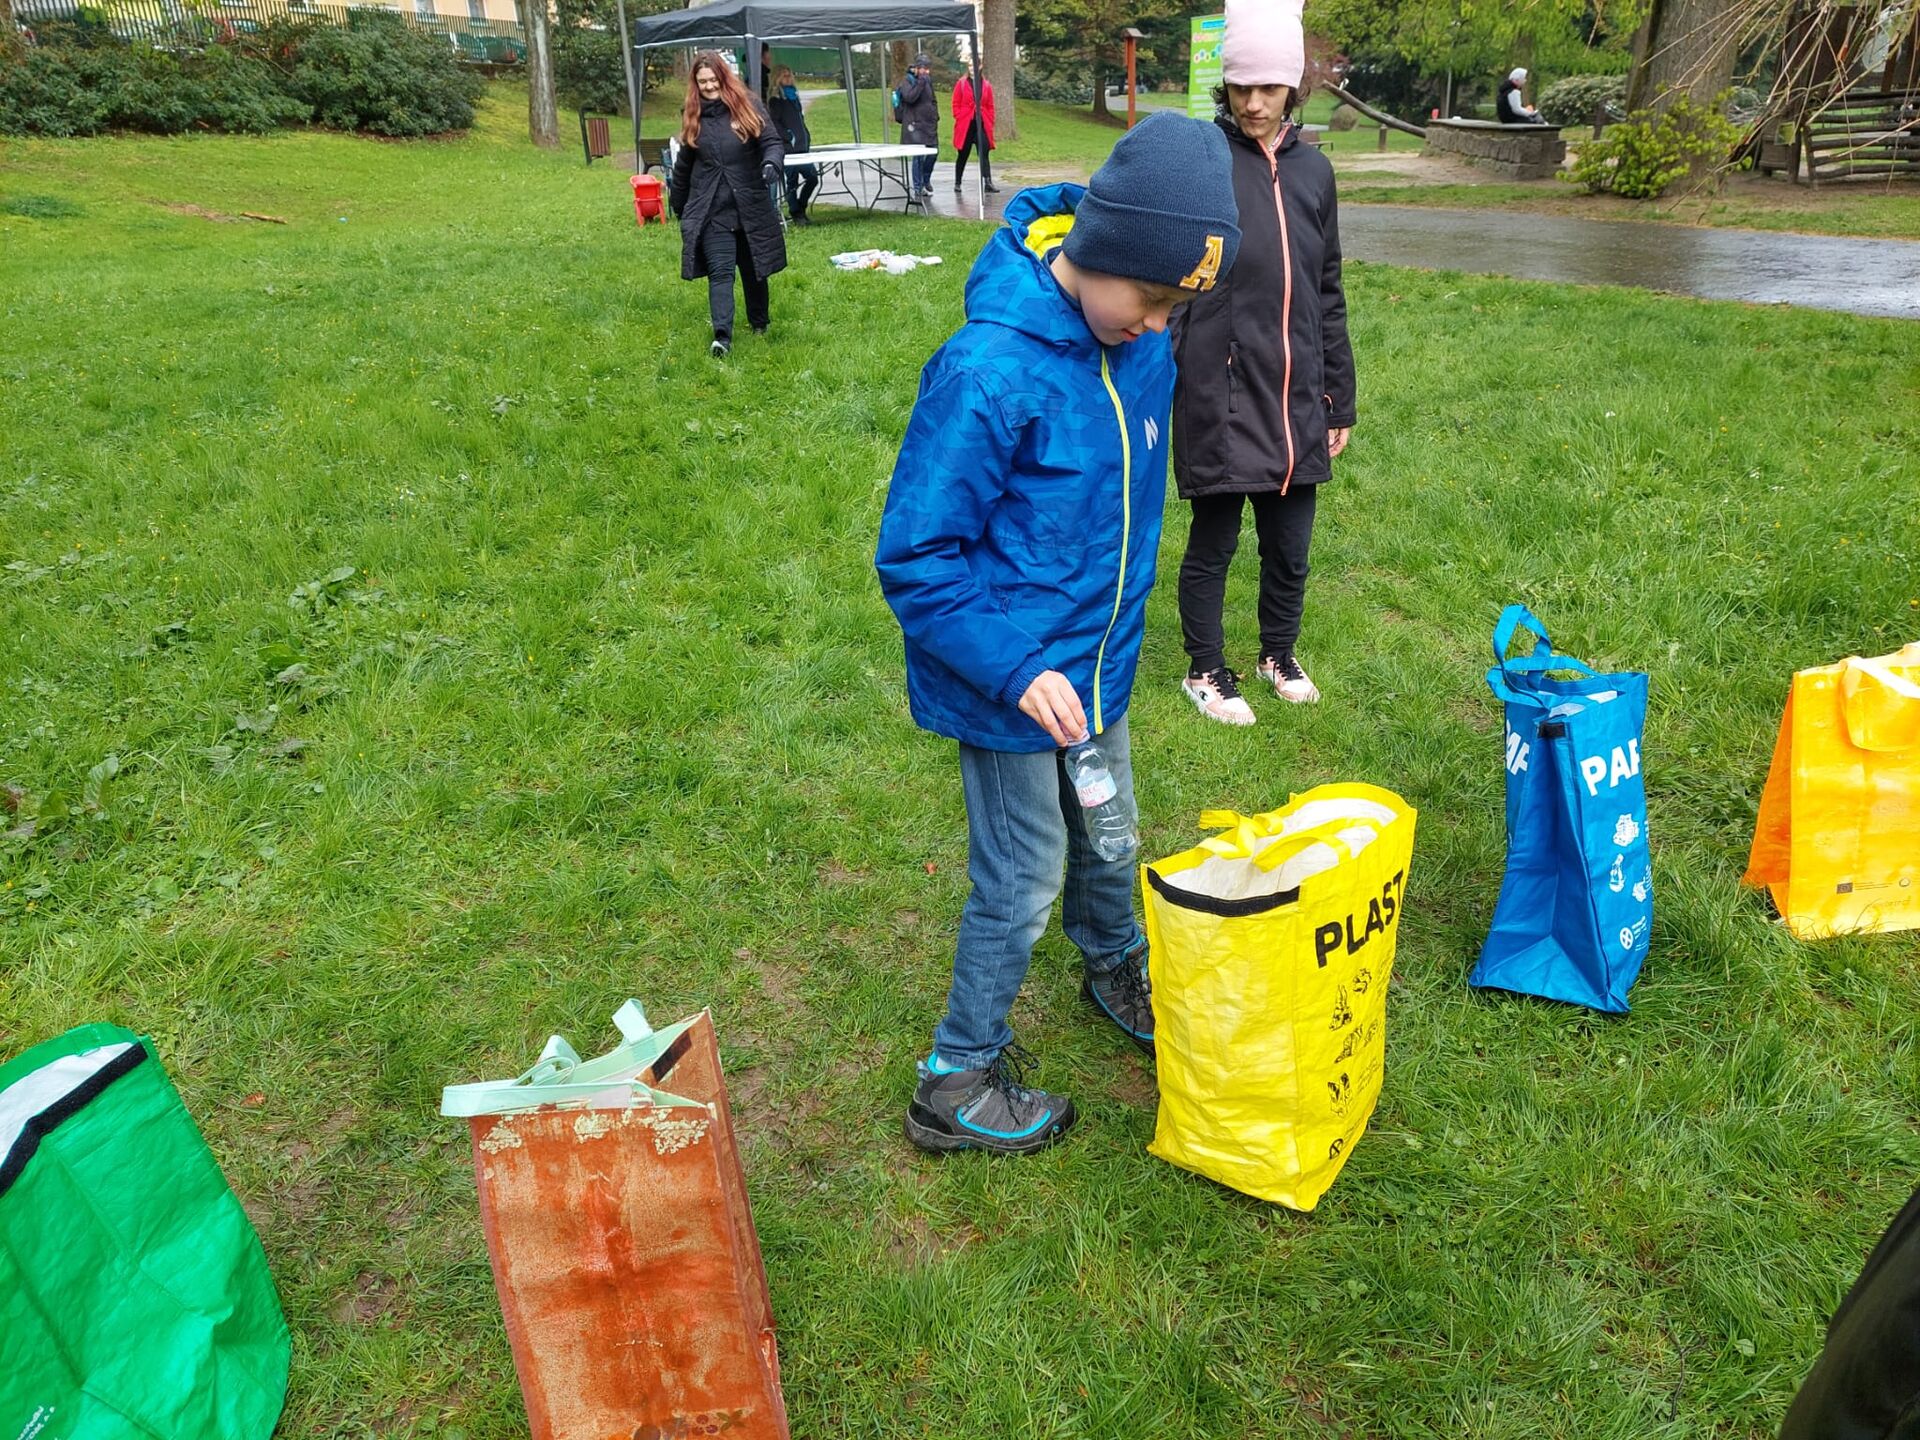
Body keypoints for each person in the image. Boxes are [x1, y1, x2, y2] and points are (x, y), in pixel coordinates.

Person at [874, 113, 1242, 1154]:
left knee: (1111, 831)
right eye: (1153, 301)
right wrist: (1018, 667)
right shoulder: (988, 371)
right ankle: (956, 1075)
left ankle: (1113, 959)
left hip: (1099, 666)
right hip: (1008, 685)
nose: (1161, 327)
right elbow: (917, 556)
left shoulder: (1137, 343)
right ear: (1102, 252)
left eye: (1179, 309)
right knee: (1023, 874)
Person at [1169, 0, 1355, 725]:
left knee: (1290, 546)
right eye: (1241, 87)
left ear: (1293, 87)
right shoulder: (1204, 163)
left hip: (1295, 394)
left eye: (1269, 88)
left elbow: (1327, 289)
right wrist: (1177, 368)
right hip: (1219, 390)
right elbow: (1173, 279)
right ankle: (1205, 669)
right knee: (1214, 543)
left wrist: (1338, 395)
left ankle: (1278, 652)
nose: (1253, 103)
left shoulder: (1315, 173)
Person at [669, 52, 787, 358]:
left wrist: (772, 164)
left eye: (713, 80)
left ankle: (759, 323)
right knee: (721, 273)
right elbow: (684, 166)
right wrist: (679, 205)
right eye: (702, 82)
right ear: (696, 84)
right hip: (713, 210)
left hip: (749, 205)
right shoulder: (693, 115)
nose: (709, 86)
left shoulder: (748, 105)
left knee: (754, 270)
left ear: (724, 77)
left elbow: (772, 142)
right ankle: (722, 337)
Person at [766, 65, 819, 226]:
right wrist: (789, 136)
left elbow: (800, 120)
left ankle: (800, 207)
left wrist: (805, 136)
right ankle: (796, 212)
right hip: (789, 148)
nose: (788, 78)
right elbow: (774, 123)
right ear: (777, 79)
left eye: (789, 75)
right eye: (784, 76)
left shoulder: (794, 97)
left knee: (812, 178)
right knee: (792, 182)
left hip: (802, 147)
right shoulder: (776, 100)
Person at [951, 63, 999, 194]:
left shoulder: (986, 85)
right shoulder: (961, 83)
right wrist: (959, 115)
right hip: (966, 124)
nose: (972, 68)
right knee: (963, 154)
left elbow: (990, 105)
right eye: (970, 66)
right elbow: (955, 103)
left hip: (981, 124)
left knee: (984, 153)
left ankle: (988, 182)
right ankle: (957, 182)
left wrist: (989, 119)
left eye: (975, 65)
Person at [897, 52, 940, 199]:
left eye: (928, 69)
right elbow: (910, 98)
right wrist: (921, 83)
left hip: (929, 124)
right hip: (915, 125)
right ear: (917, 68)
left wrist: (935, 115)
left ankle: (925, 178)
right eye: (924, 68)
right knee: (919, 157)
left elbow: (932, 99)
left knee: (934, 152)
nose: (926, 72)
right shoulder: (907, 81)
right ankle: (918, 187)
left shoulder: (927, 80)